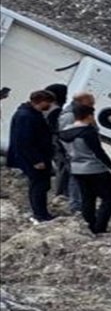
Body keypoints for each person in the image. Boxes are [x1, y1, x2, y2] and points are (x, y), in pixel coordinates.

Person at [59, 103, 111, 235]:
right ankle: (100, 228)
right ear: (89, 116)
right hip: (94, 169)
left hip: (76, 168)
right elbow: (99, 153)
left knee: (88, 198)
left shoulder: (64, 132)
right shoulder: (88, 132)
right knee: (110, 198)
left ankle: (90, 226)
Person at [6, 89, 58, 224]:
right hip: (34, 158)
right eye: (48, 103)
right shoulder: (26, 116)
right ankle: (40, 215)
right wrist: (36, 160)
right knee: (39, 185)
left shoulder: (31, 113)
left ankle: (41, 213)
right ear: (41, 102)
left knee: (40, 185)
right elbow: (24, 141)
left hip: (38, 155)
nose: (50, 106)